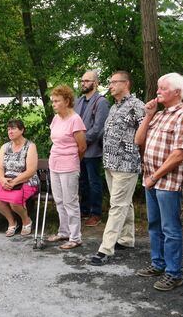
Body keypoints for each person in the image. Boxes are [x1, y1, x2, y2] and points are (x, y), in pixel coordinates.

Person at [134, 73, 183, 291]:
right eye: (158, 88)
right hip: (151, 179)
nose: (158, 91)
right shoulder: (159, 115)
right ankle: (158, 264)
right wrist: (148, 115)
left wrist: (154, 177)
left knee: (170, 228)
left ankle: (173, 273)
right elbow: (138, 140)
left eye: (163, 88)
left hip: (167, 182)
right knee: (154, 225)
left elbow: (179, 154)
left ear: (177, 92)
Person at [90, 71, 145, 265]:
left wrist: (143, 159)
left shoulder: (137, 106)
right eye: (110, 82)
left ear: (126, 84)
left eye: (114, 82)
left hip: (126, 163)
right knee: (124, 202)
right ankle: (127, 239)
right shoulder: (114, 107)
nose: (110, 85)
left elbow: (145, 134)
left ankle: (105, 249)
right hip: (110, 162)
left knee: (117, 205)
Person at [46, 85, 87, 250]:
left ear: (67, 101)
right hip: (54, 163)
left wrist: (73, 161)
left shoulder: (75, 119)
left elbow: (82, 147)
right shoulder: (56, 118)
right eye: (52, 101)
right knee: (59, 200)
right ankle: (63, 232)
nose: (53, 104)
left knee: (70, 201)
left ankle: (75, 237)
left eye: (57, 101)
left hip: (69, 164)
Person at [74, 70, 110, 227]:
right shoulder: (78, 101)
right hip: (78, 150)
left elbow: (98, 128)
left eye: (87, 81)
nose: (83, 83)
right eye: (82, 80)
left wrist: (82, 141)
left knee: (93, 181)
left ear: (96, 83)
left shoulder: (101, 102)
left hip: (92, 150)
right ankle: (84, 209)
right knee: (82, 181)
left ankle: (95, 213)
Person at [0, 119, 39, 237]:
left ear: (22, 130)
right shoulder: (5, 147)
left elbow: (31, 170)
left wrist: (14, 182)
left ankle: (26, 221)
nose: (10, 132)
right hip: (7, 180)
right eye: (8, 129)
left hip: (27, 180)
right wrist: (2, 180)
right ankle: (12, 222)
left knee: (14, 201)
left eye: (13, 128)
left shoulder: (30, 146)